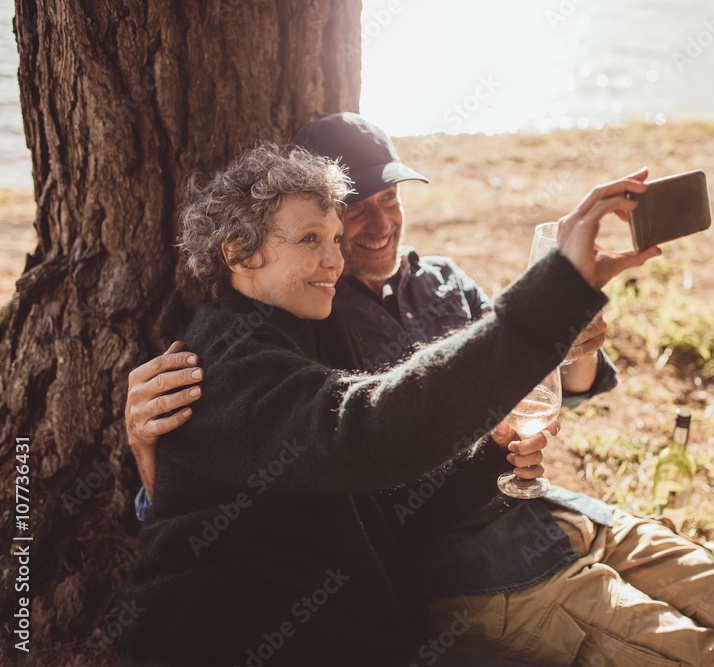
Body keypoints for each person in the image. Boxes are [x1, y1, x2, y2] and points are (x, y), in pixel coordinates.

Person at [125, 116, 714, 667]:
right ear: (239, 249)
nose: (346, 248)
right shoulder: (274, 341)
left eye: (354, 223)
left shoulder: (345, 302)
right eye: (322, 233)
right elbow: (371, 429)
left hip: (557, 511)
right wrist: (150, 465)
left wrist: (558, 353)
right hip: (488, 565)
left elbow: (534, 388)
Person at [120, 142, 656, 666]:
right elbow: (374, 430)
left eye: (334, 237)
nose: (334, 258)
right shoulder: (225, 366)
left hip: (353, 635)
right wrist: (555, 290)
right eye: (310, 239)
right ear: (237, 252)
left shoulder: (308, 332)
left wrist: (489, 453)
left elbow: (384, 509)